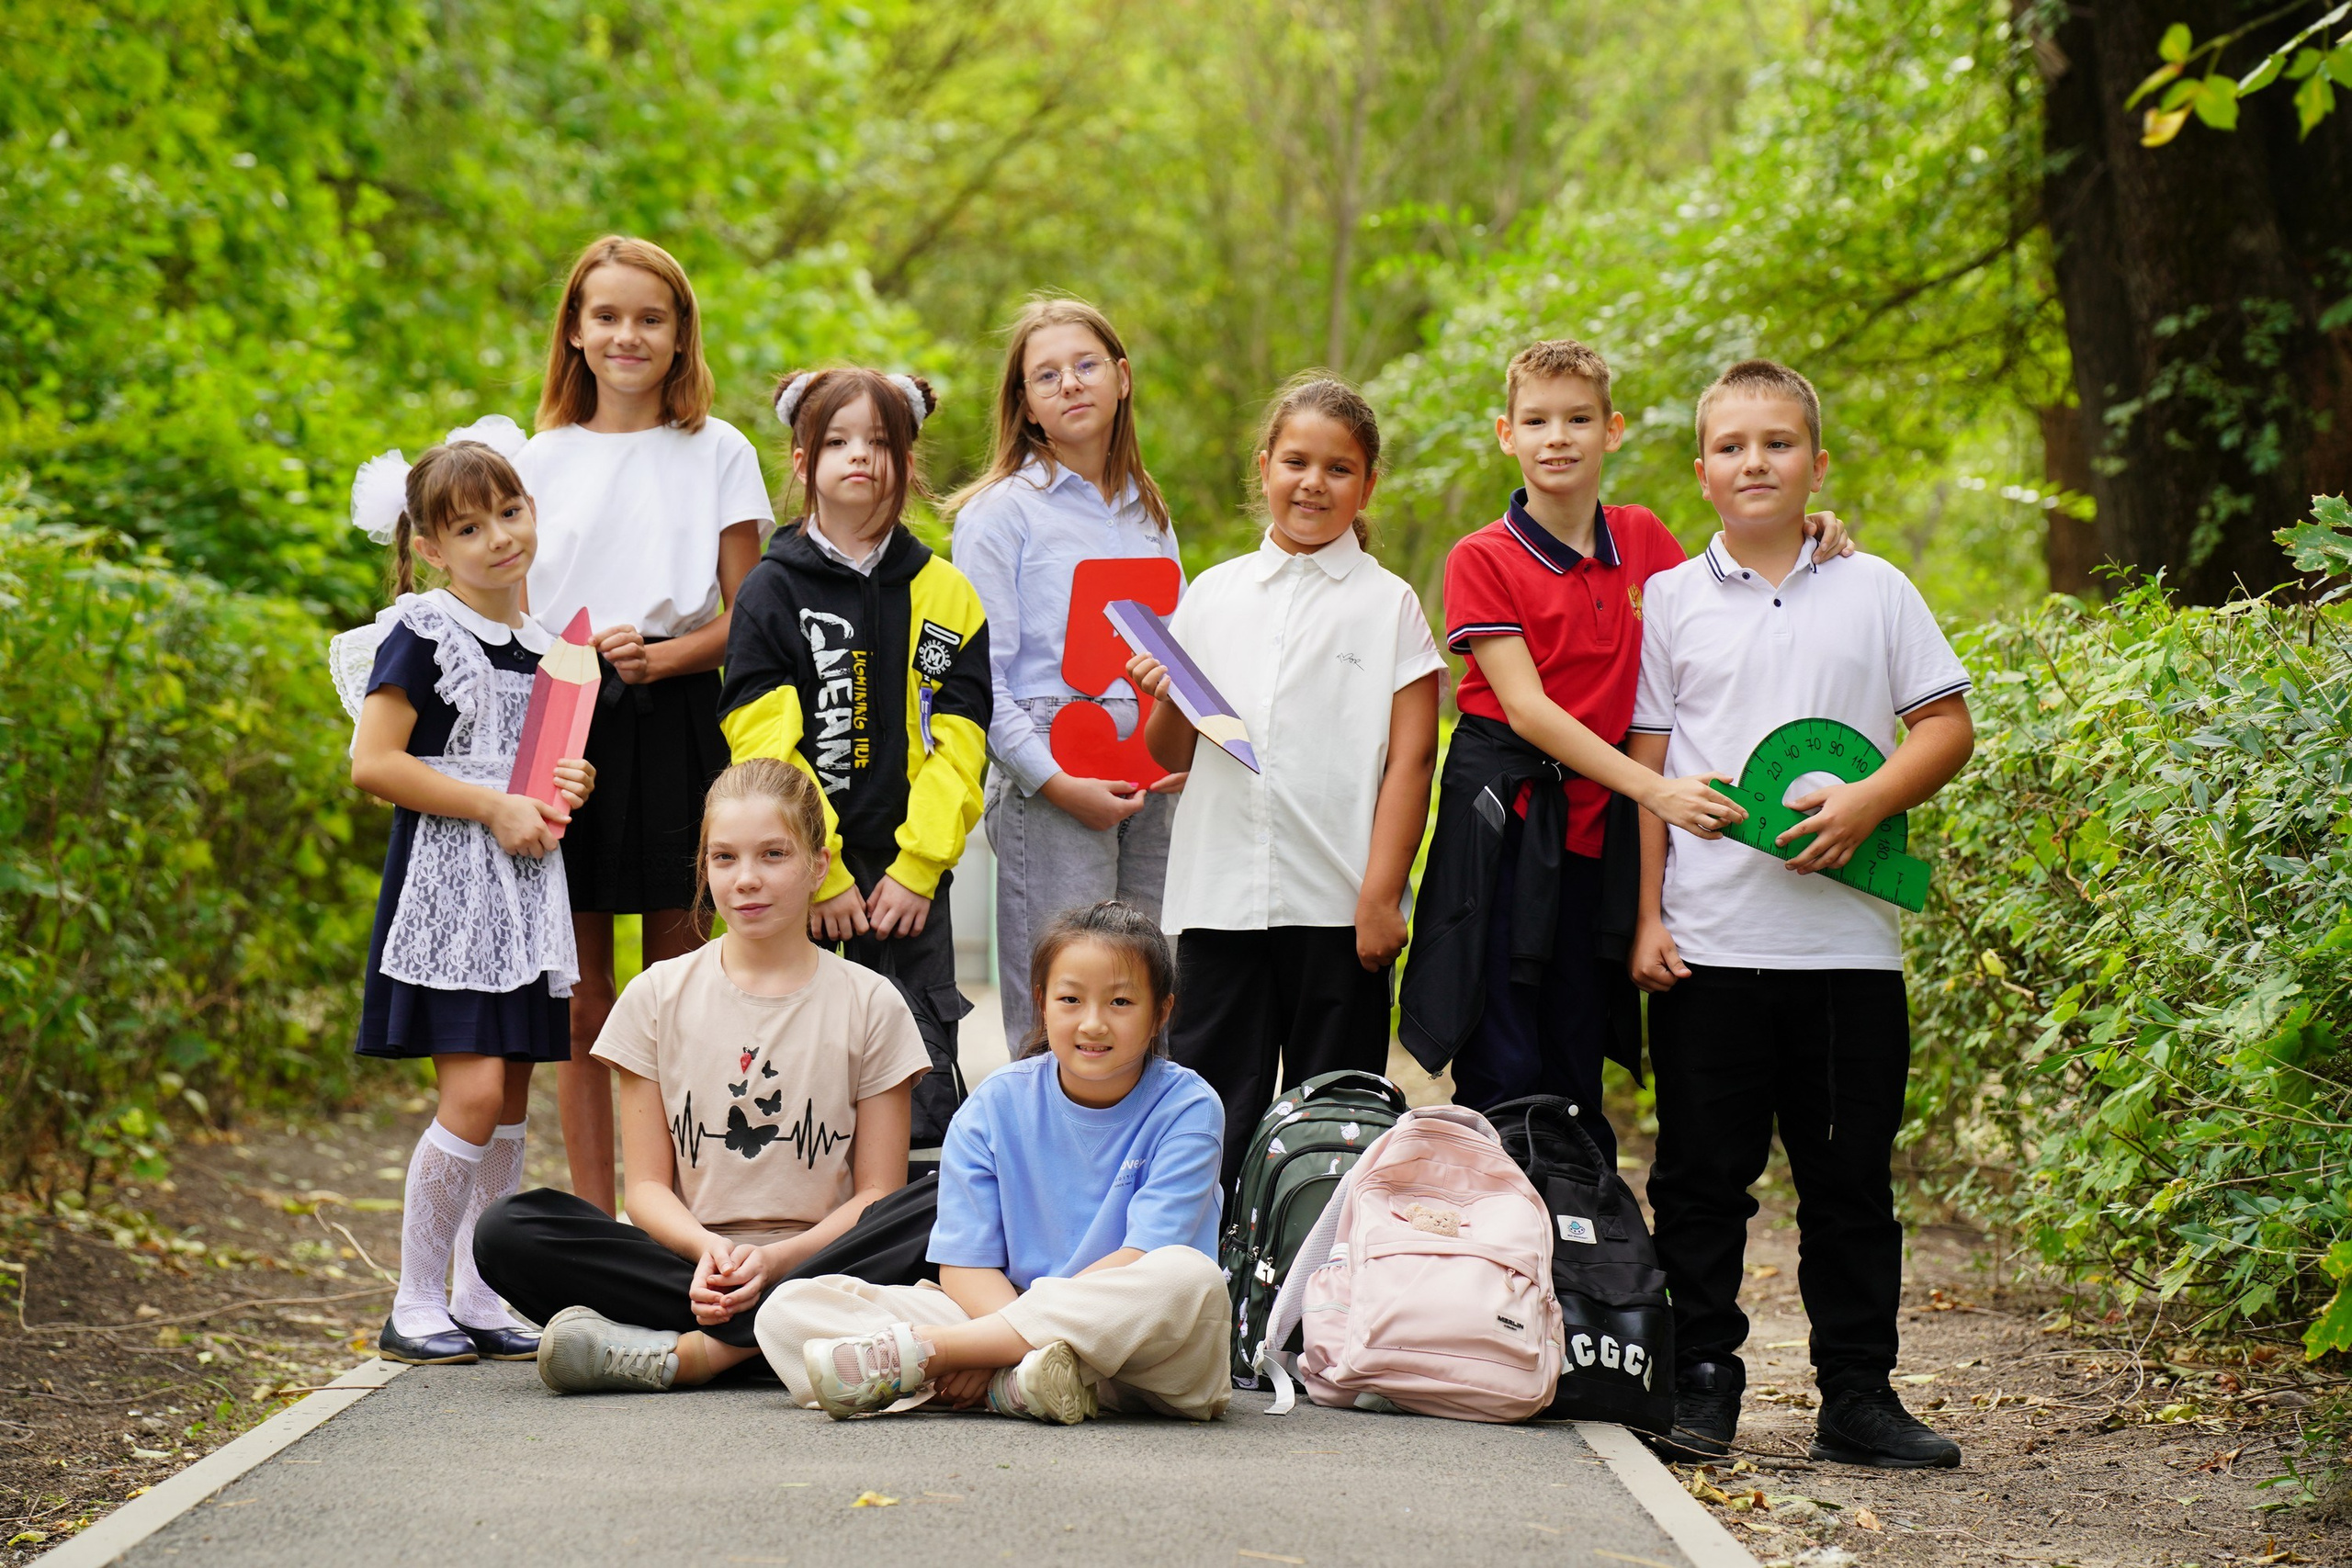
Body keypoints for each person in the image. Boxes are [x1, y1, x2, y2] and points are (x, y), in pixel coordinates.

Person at [1627, 359, 1973, 1469]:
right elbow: (1646, 766)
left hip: (1848, 952)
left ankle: (1858, 1396)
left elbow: (1945, 729)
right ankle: (1702, 1383)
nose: (1754, 462)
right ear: (1701, 471)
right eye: (1731, 446)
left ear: (1816, 463)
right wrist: (1645, 916)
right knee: (1696, 1180)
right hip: (1710, 944)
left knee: (1848, 1186)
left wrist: (1868, 800)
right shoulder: (1670, 600)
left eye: (1778, 443)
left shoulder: (1876, 589)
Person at [1399, 338, 1853, 1163]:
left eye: (1578, 418)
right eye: (1536, 420)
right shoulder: (1482, 556)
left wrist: (1806, 528)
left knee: (1577, 1045)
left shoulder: (1643, 538)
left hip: (1598, 829)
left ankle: (1588, 1268)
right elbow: (1528, 710)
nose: (1557, 437)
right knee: (1502, 1052)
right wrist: (1657, 791)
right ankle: (1499, 1258)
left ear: (1612, 430)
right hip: (1507, 823)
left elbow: (1727, 596)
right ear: (1507, 434)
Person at [473, 759, 932, 1393]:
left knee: (939, 1201)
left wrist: (773, 1261)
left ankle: (701, 1354)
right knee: (507, 1230)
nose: (747, 879)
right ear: (704, 867)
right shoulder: (657, 994)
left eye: (773, 854)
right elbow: (648, 1191)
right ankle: (788, 1339)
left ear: (818, 865)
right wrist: (709, 1254)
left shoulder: (871, 1000)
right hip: (688, 1270)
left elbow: (875, 1197)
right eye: (724, 858)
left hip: (827, 1262)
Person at [1128, 375, 1442, 1192]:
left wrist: (1381, 896)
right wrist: (1156, 691)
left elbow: (1411, 760)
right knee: (1211, 1114)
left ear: (1368, 484)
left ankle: (1317, 1299)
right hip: (1220, 901)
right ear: (1264, 466)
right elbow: (1176, 751)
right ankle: (1207, 1294)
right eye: (1296, 462)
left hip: (1337, 905)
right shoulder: (1213, 593)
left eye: (1339, 469)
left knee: (1334, 1121)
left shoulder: (1390, 604)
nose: (1314, 482)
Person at [518, 234, 776, 1215]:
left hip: (679, 719)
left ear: (679, 337)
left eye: (650, 319)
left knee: (675, 984)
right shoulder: (533, 458)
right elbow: (510, 610)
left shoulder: (718, 450)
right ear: (576, 334)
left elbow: (748, 617)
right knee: (583, 994)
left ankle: (676, 1211)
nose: (628, 335)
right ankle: (594, 1217)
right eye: (608, 316)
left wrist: (661, 657)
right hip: (565, 720)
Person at [330, 421, 595, 1366]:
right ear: (432, 549)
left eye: (510, 512)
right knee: (475, 1095)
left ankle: (482, 1295)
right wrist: (492, 806)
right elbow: (374, 764)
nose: (500, 539)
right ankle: (412, 1299)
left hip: (524, 893)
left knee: (513, 1100)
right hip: (450, 892)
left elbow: (535, 764)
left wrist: (566, 786)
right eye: (471, 529)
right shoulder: (422, 631)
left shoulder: (543, 644)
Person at [756, 901, 1230, 1424]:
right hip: (999, 1314)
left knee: (1187, 1276)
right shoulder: (993, 1106)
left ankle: (938, 1363)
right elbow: (965, 1265)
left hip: (1141, 1355)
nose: (1093, 1023)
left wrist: (972, 1346)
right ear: (1042, 1003)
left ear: (1160, 1012)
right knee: (788, 1310)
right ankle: (1023, 1382)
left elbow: (1143, 1257)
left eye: (1120, 1001)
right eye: (1071, 999)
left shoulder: (1189, 1108)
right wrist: (1009, 1338)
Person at [718, 367, 989, 1149]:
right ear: (803, 461)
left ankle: (915, 1247)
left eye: (880, 442)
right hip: (799, 876)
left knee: (918, 1065)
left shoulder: (946, 594)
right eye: (837, 441)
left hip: (909, 882)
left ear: (907, 461)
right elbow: (763, 742)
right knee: (786, 1059)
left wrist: (917, 867)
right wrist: (820, 867)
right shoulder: (768, 592)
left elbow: (960, 741)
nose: (859, 457)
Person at [948, 297, 1188, 1046]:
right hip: (1053, 769)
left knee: (1149, 991)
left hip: (1150, 768)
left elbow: (1174, 650)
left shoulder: (1149, 510)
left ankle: (1142, 1160)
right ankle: (1043, 1162)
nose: (1071, 384)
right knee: (1062, 1000)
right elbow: (984, 682)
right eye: (1046, 375)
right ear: (1025, 405)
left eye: (1086, 366)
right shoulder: (1000, 514)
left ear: (1122, 377)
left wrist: (1178, 750)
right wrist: (1055, 783)